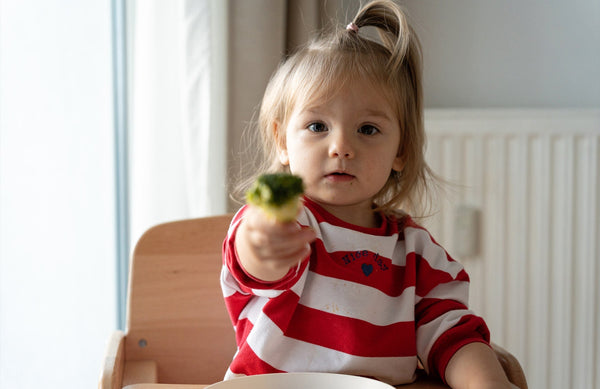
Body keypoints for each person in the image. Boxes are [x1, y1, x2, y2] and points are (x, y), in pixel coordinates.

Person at [221, 1, 513, 387]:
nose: (341, 146)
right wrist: (262, 242)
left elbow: (454, 335)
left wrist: (487, 383)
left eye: (368, 130)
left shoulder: (416, 254)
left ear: (401, 151)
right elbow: (255, 259)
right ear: (282, 141)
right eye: (317, 126)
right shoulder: (287, 222)